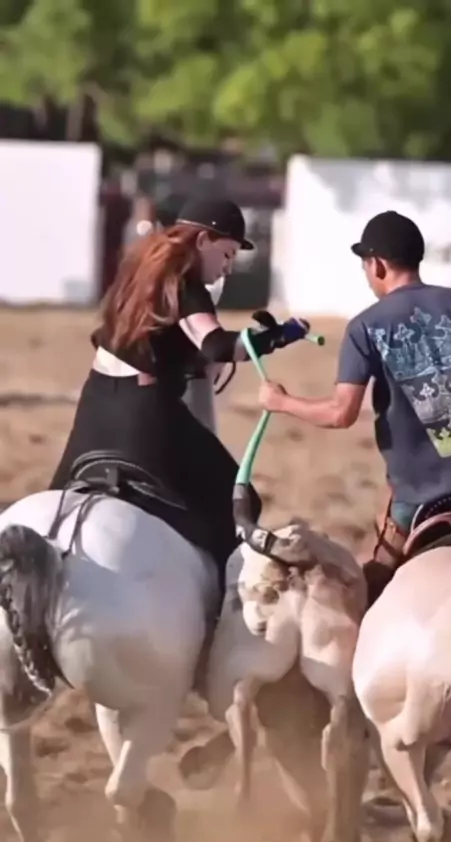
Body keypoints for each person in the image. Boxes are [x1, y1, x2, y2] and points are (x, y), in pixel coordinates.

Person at [50, 194, 308, 586]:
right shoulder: (184, 283)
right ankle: (224, 601)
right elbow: (217, 346)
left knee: (55, 504)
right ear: (202, 240)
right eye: (227, 254)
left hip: (96, 406)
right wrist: (280, 335)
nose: (227, 268)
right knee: (238, 500)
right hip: (143, 414)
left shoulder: (138, 269)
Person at [258, 210, 451, 600]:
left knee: (371, 591)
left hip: (420, 495)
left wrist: (281, 401)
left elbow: (340, 413)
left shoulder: (366, 326)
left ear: (377, 265)